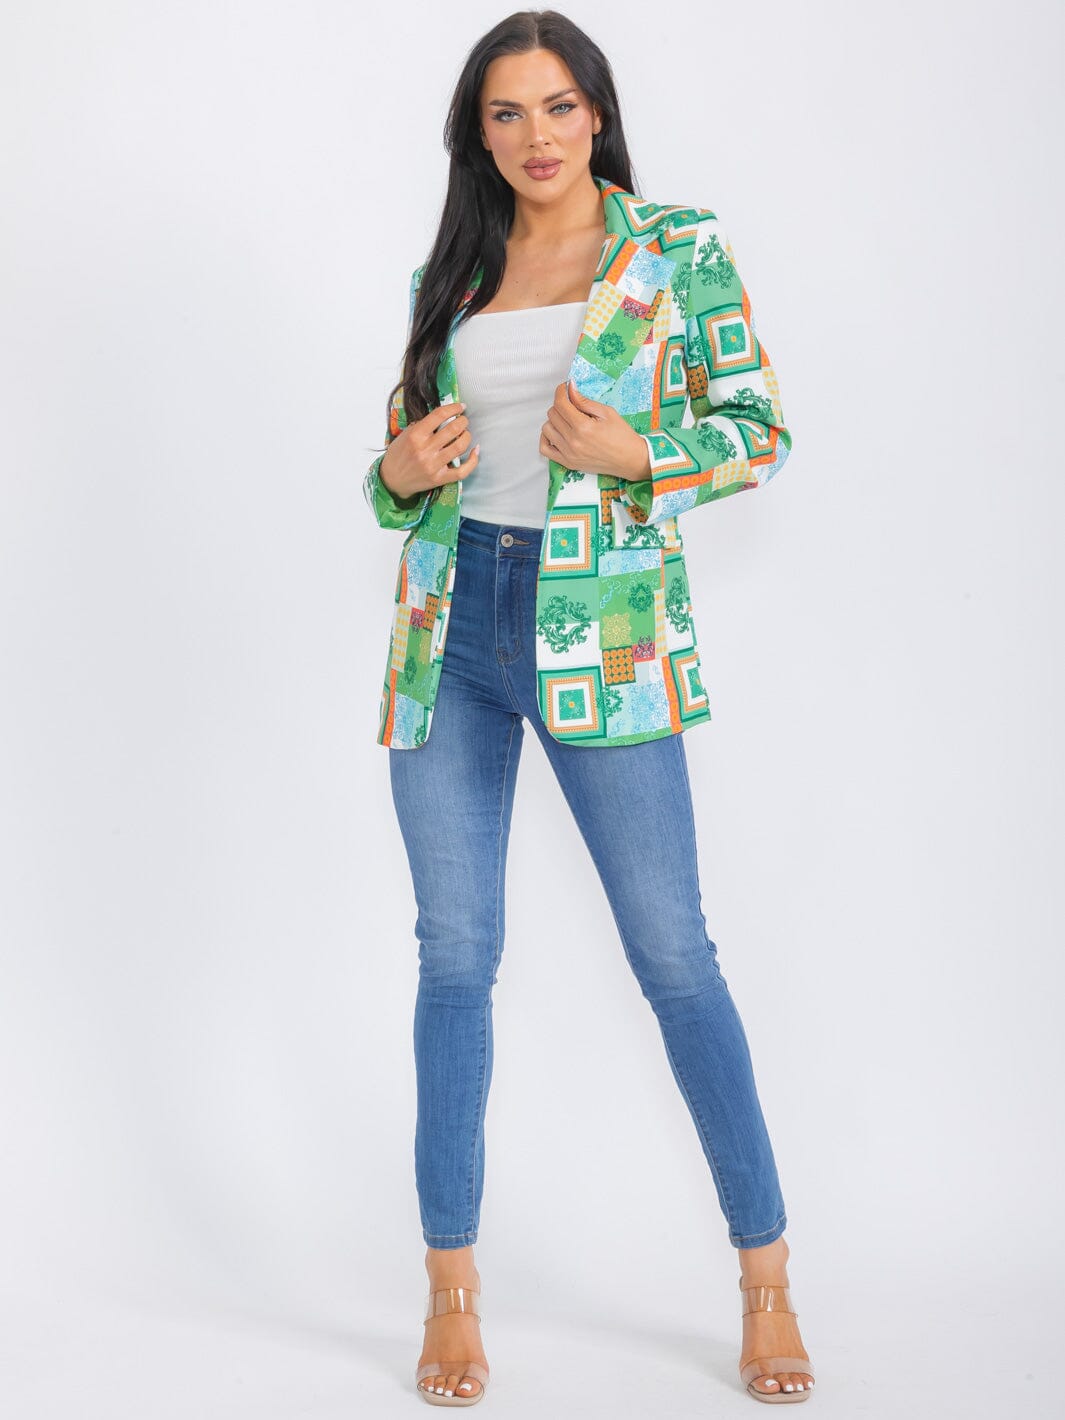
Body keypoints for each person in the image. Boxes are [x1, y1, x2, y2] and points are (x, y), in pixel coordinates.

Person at [362, 10, 815, 1407]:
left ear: (598, 114)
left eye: (559, 107)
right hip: (450, 634)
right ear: (477, 134)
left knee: (674, 956)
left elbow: (759, 431)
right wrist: (395, 471)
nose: (537, 136)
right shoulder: (454, 269)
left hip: (603, 638)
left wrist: (636, 453)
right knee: (454, 958)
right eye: (506, 114)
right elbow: (401, 472)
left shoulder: (673, 249)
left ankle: (766, 1279)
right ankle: (450, 1291)